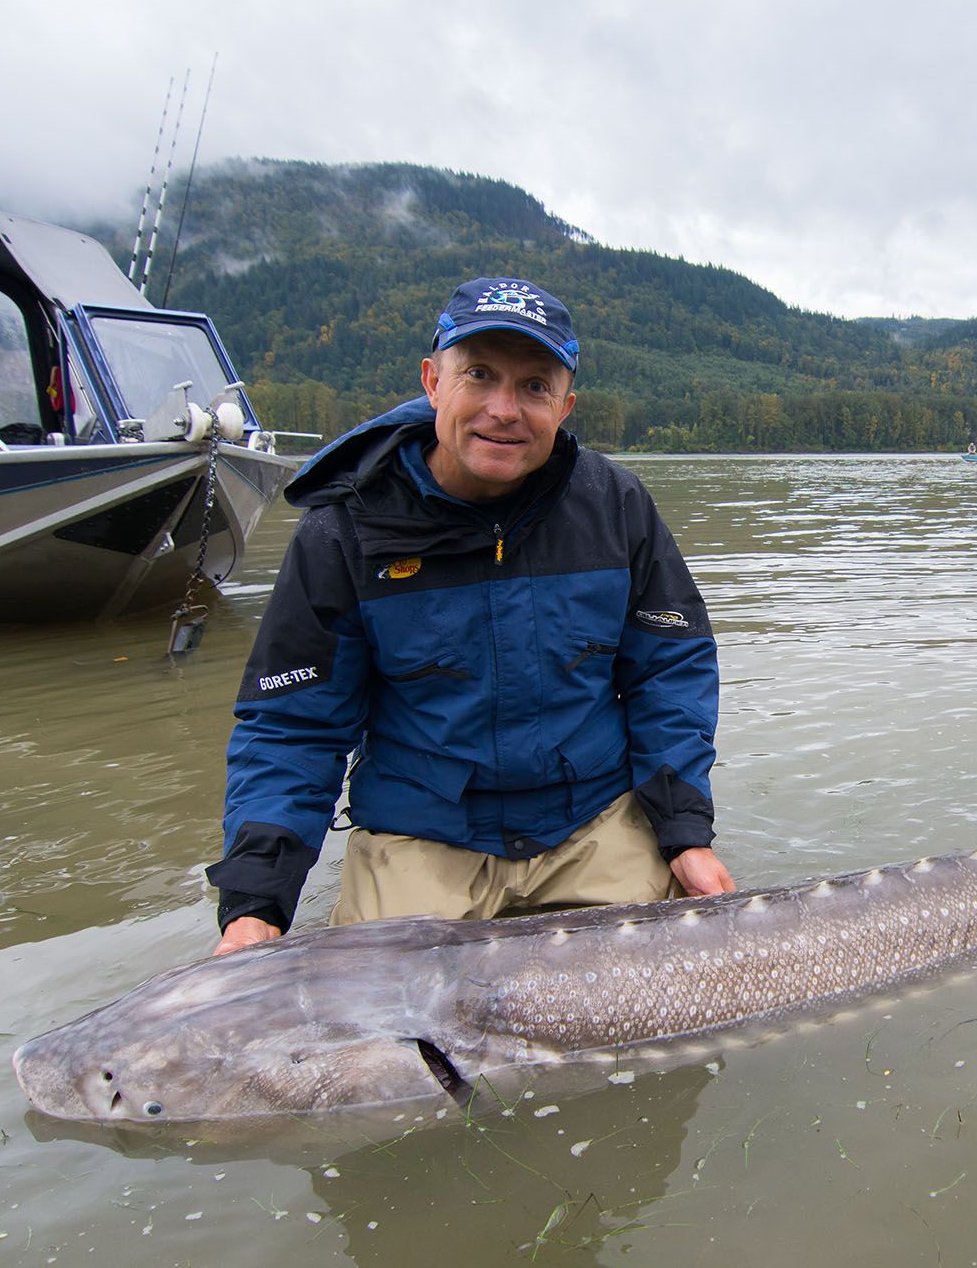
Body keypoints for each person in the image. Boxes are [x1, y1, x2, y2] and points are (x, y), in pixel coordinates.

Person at [209, 276, 734, 955]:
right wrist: (256, 904)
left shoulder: (617, 505)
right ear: (433, 382)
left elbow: (671, 670)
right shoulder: (341, 531)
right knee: (360, 1032)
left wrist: (685, 831)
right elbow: (291, 727)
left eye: (534, 387)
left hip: (589, 819)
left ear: (566, 405)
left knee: (684, 978)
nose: (504, 410)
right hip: (424, 831)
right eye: (479, 376)